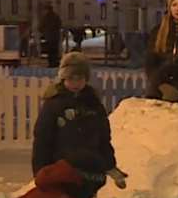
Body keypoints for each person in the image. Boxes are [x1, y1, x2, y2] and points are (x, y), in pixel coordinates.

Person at [32, 50, 129, 190]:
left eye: (80, 78)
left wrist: (110, 166)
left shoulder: (93, 104)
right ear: (63, 78)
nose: (76, 83)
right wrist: (40, 172)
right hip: (61, 171)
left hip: (90, 173)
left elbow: (103, 139)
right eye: (71, 78)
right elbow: (42, 141)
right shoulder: (54, 105)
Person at [40, 4, 63, 68]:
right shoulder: (56, 16)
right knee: (55, 51)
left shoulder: (45, 17)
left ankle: (51, 63)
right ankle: (55, 63)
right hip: (55, 37)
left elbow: (41, 26)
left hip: (49, 37)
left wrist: (43, 32)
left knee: (50, 51)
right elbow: (60, 24)